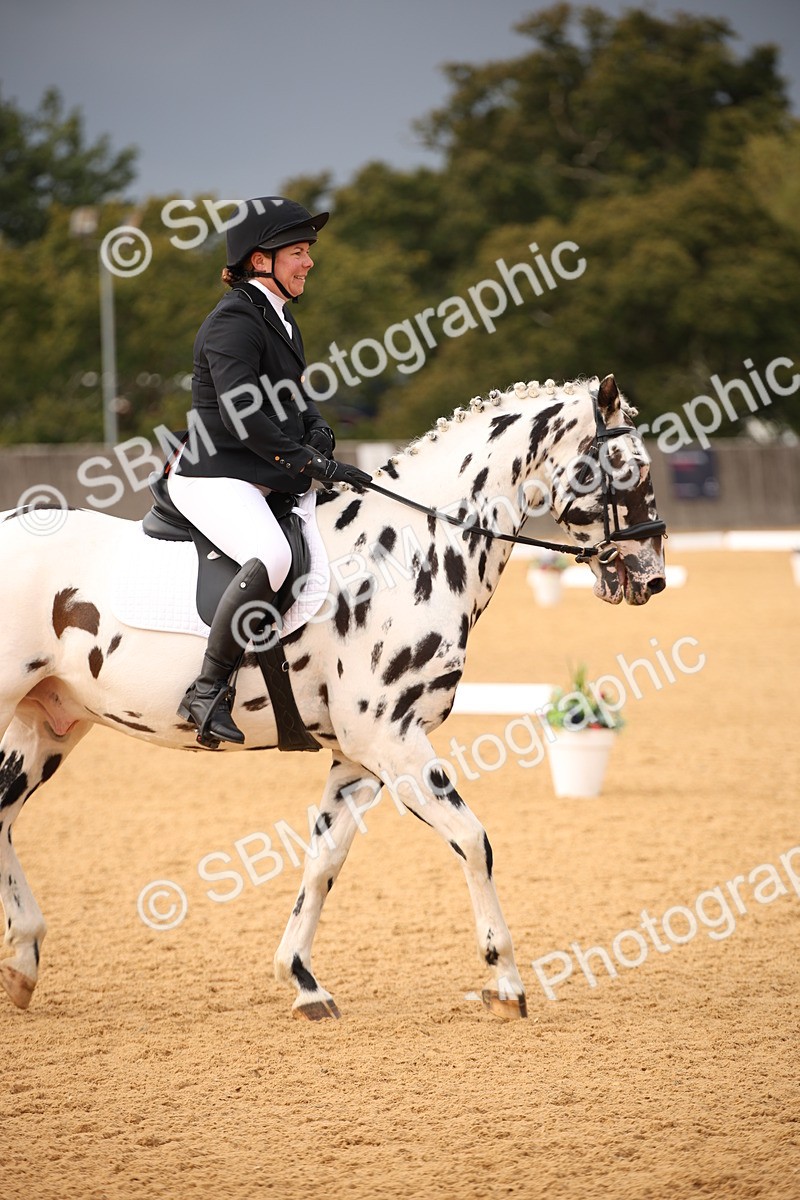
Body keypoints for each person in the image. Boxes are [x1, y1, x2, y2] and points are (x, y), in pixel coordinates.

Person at [168, 195, 372, 747]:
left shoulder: (278, 318)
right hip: (217, 475)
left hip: (263, 471)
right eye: (299, 252)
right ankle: (207, 688)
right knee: (275, 556)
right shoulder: (234, 319)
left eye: (308, 252)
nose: (310, 262)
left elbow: (294, 399)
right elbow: (241, 413)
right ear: (262, 261)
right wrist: (308, 461)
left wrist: (319, 431)